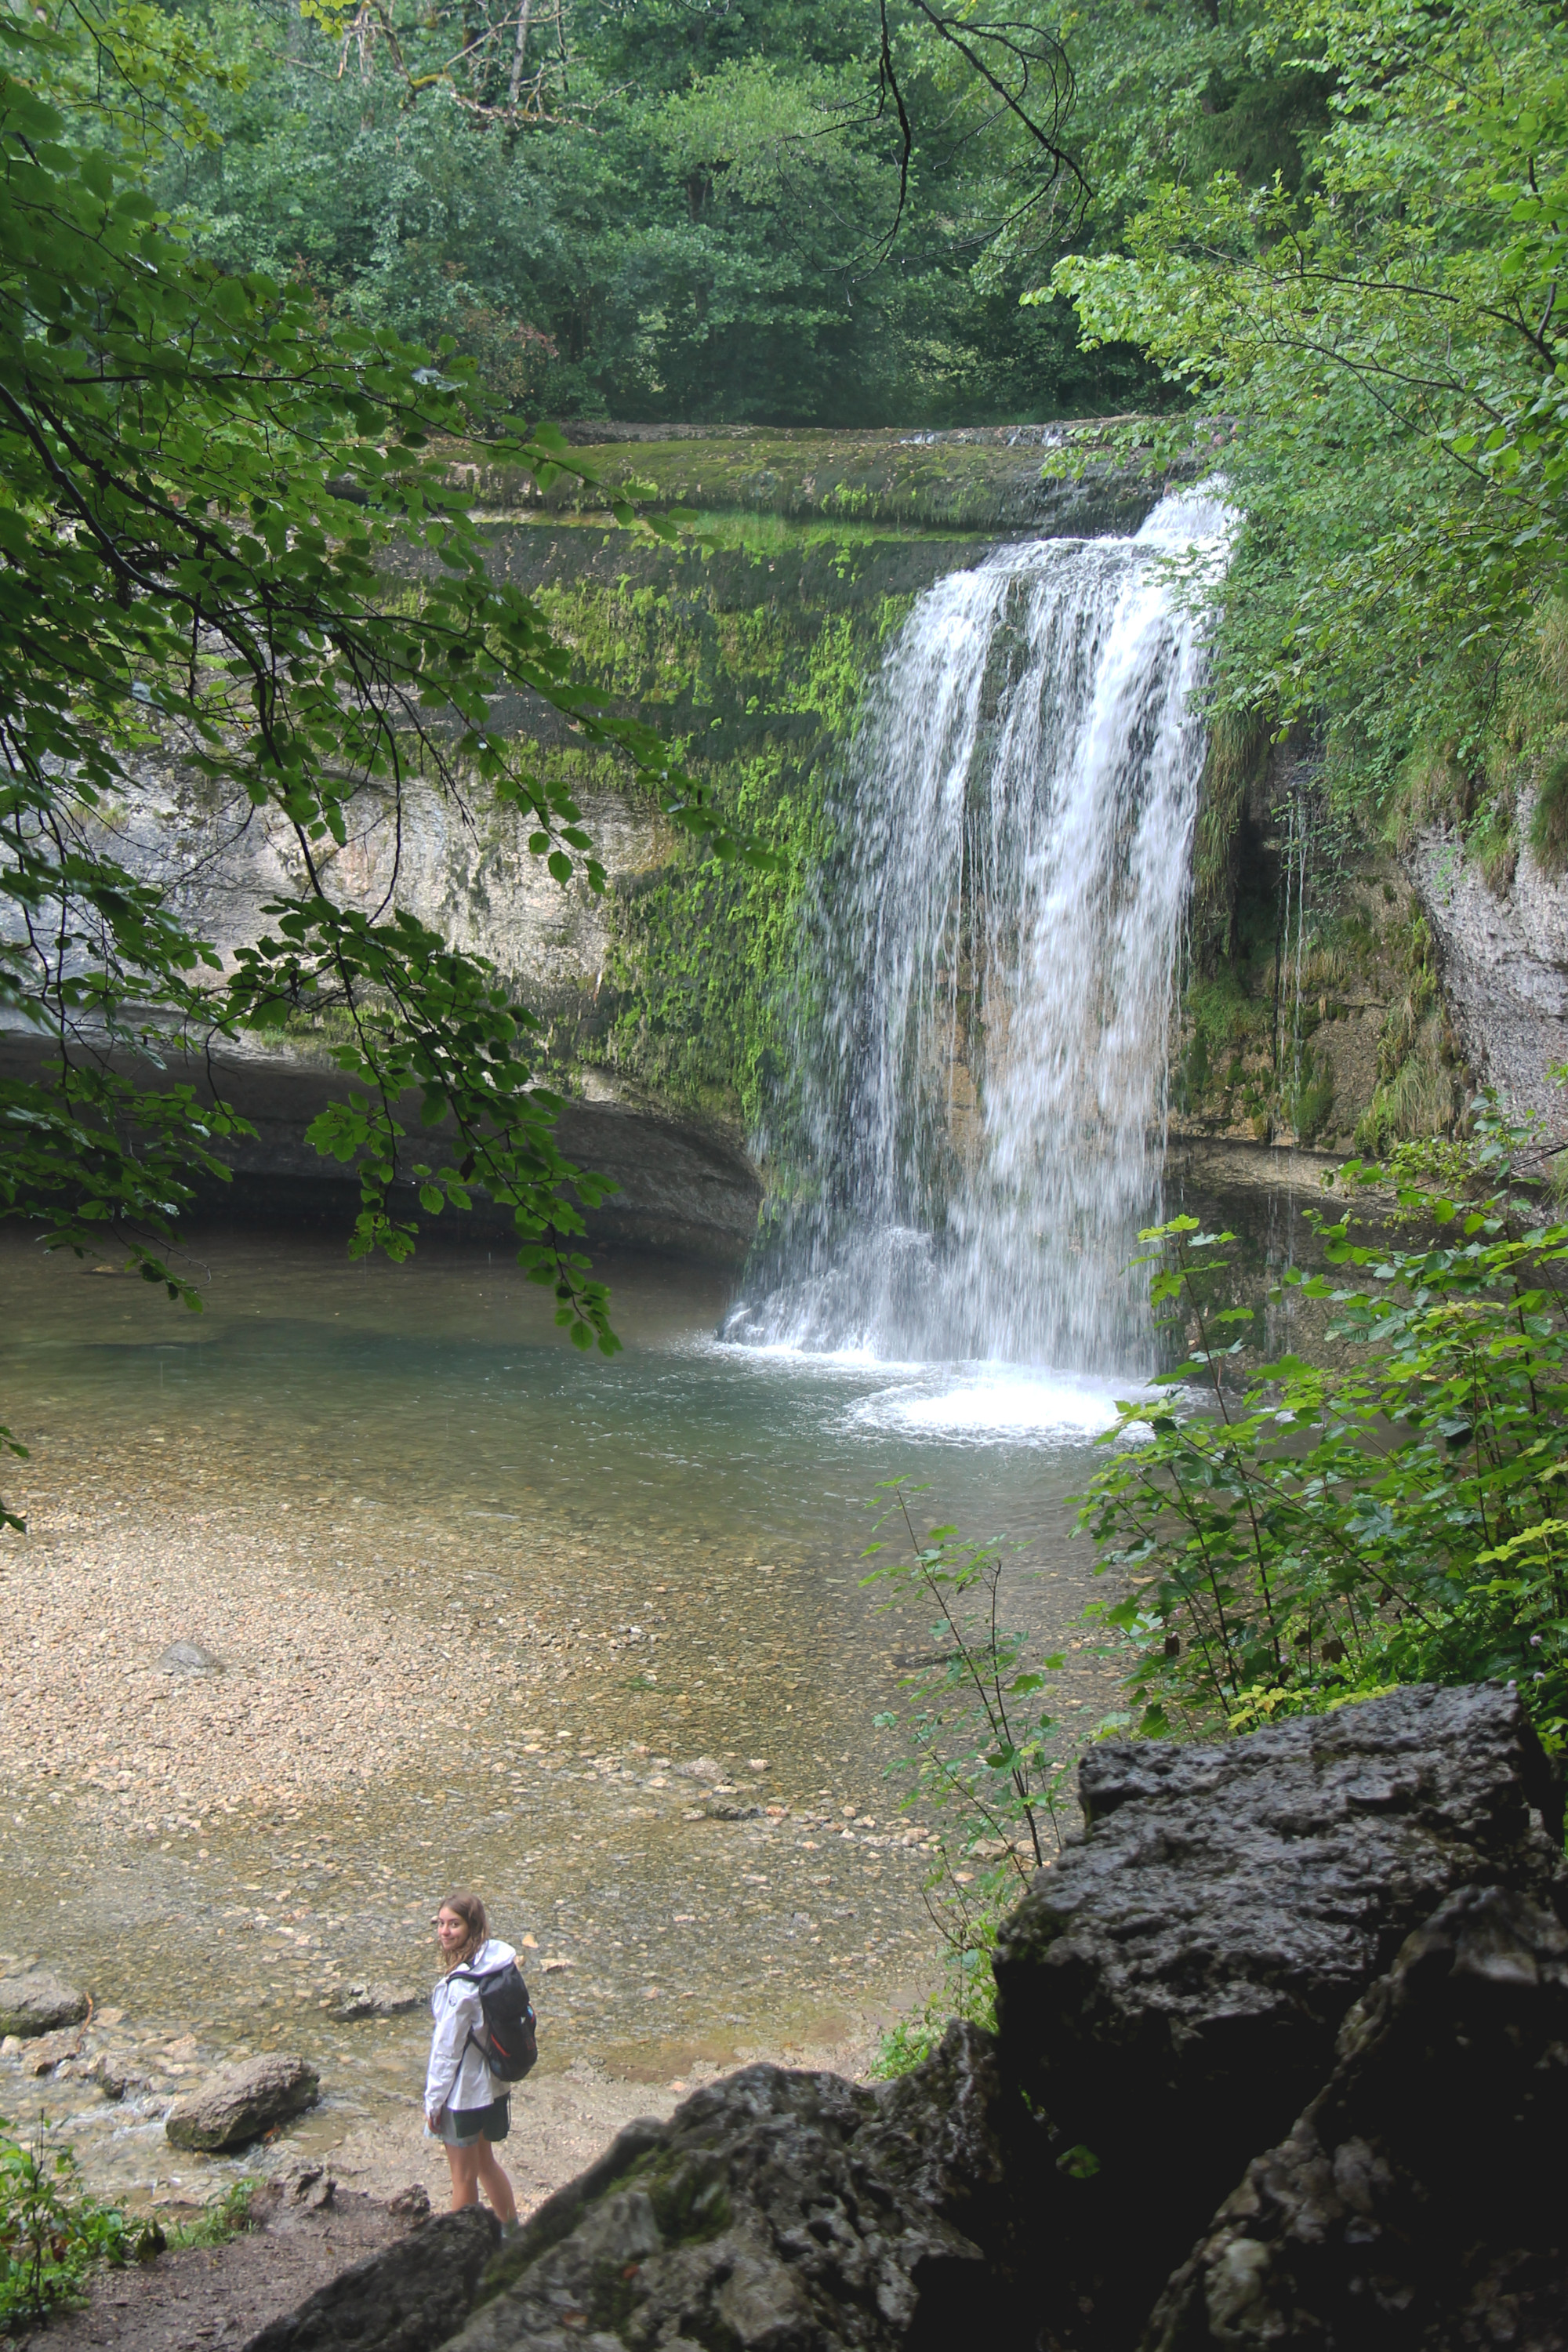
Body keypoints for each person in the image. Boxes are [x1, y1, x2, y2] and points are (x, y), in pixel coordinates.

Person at [425, 1890, 520, 2224]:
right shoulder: (496, 1964)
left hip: (464, 2095)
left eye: (454, 1925)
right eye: (441, 1924)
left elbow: (446, 2053)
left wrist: (433, 2103)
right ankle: (512, 2232)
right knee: (485, 2164)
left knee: (462, 2177)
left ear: (472, 1928)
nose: (445, 1932)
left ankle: (460, 2250)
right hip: (494, 2085)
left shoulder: (460, 1986)